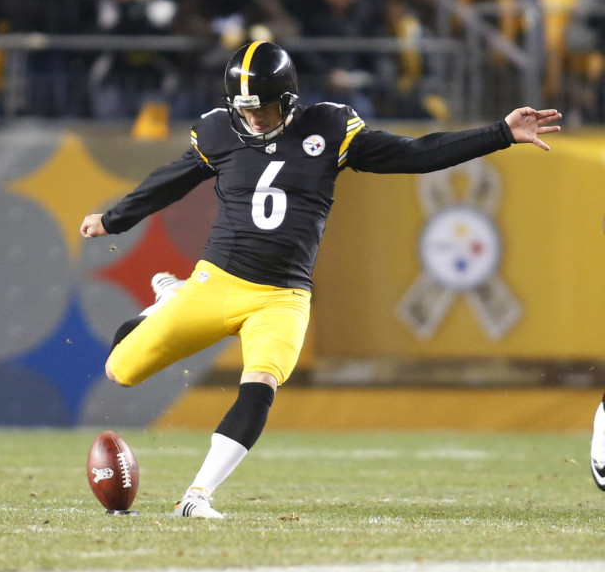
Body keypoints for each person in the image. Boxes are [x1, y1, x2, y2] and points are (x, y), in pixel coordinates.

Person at [80, 40, 562, 518]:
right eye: (245, 109)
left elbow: (416, 153)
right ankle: (165, 301)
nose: (254, 118)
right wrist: (115, 218)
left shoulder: (329, 129)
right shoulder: (218, 133)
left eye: (263, 108)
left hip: (282, 296)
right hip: (217, 280)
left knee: (260, 383)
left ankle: (197, 496)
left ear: (289, 99)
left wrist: (499, 133)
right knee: (121, 372)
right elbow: (171, 179)